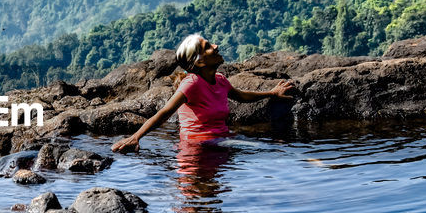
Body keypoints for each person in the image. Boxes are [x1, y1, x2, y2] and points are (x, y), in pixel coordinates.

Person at [113, 34, 294, 153]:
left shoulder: (220, 80)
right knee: (272, 148)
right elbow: (164, 113)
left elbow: (241, 96)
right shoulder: (191, 84)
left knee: (272, 145)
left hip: (219, 142)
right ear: (198, 62)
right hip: (199, 147)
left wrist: (272, 93)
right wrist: (135, 137)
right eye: (208, 46)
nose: (216, 46)